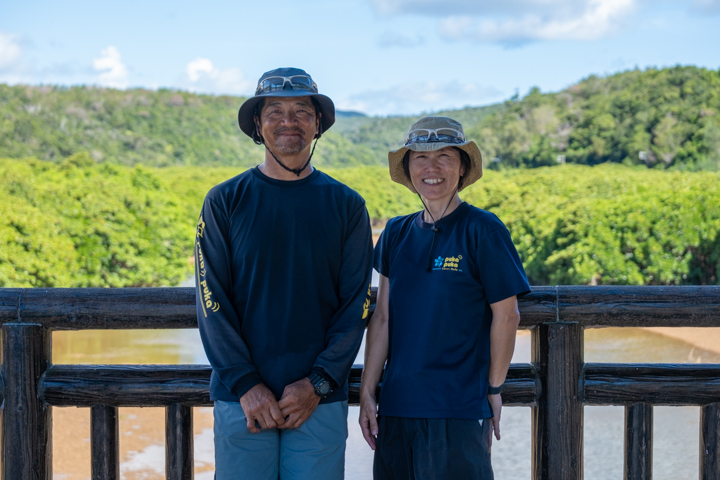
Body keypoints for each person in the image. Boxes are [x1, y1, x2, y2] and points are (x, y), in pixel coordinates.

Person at [195, 67, 373, 480]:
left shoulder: (347, 205)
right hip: (241, 401)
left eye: (301, 111)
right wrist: (245, 384)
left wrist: (319, 382)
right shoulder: (224, 201)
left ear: (317, 124)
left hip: (318, 401)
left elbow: (355, 304)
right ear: (257, 124)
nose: (288, 121)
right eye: (274, 111)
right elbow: (210, 300)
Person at [359, 116, 531, 479]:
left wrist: (494, 388)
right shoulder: (395, 231)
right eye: (420, 158)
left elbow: (508, 315)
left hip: (459, 407)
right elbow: (383, 317)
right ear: (407, 168)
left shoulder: (483, 230)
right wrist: (367, 392)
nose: (431, 168)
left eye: (445, 157)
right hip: (397, 406)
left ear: (463, 167)